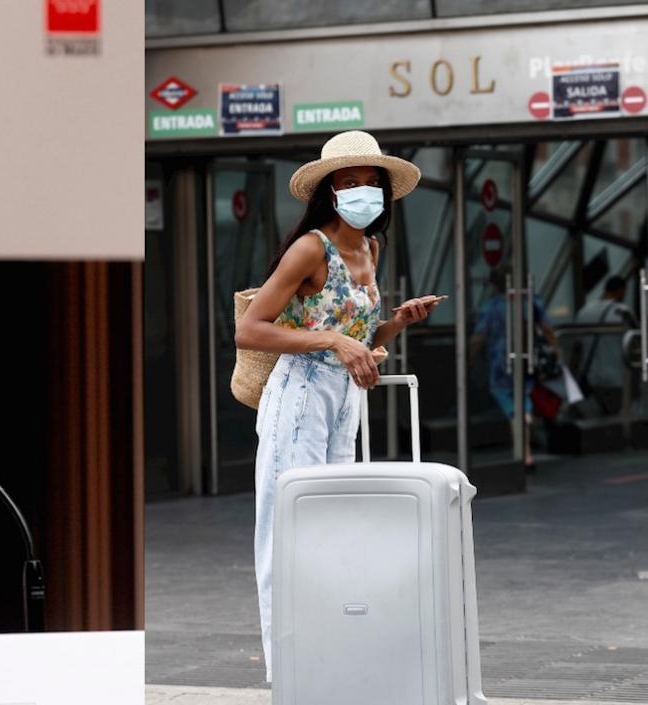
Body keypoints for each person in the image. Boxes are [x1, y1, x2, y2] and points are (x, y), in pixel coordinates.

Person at [235, 130, 441, 681]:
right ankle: (288, 670)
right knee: (286, 529)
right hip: (299, 393)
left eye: (372, 183)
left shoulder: (372, 248)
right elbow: (250, 330)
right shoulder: (311, 248)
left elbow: (358, 333)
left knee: (332, 528)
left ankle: (327, 656)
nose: (362, 192)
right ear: (329, 191)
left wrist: (396, 323)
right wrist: (331, 341)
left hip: (344, 399)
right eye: (350, 183)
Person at [470, 267, 559, 468]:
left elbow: (479, 336)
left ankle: (523, 446)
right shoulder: (530, 301)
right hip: (527, 357)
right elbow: (547, 328)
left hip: (499, 361)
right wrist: (556, 351)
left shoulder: (491, 306)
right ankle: (525, 420)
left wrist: (468, 357)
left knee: (506, 398)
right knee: (523, 393)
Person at [574, 275, 636, 404]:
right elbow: (635, 344)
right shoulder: (623, 312)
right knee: (617, 413)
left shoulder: (584, 311)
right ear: (621, 290)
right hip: (616, 378)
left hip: (590, 378)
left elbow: (577, 344)